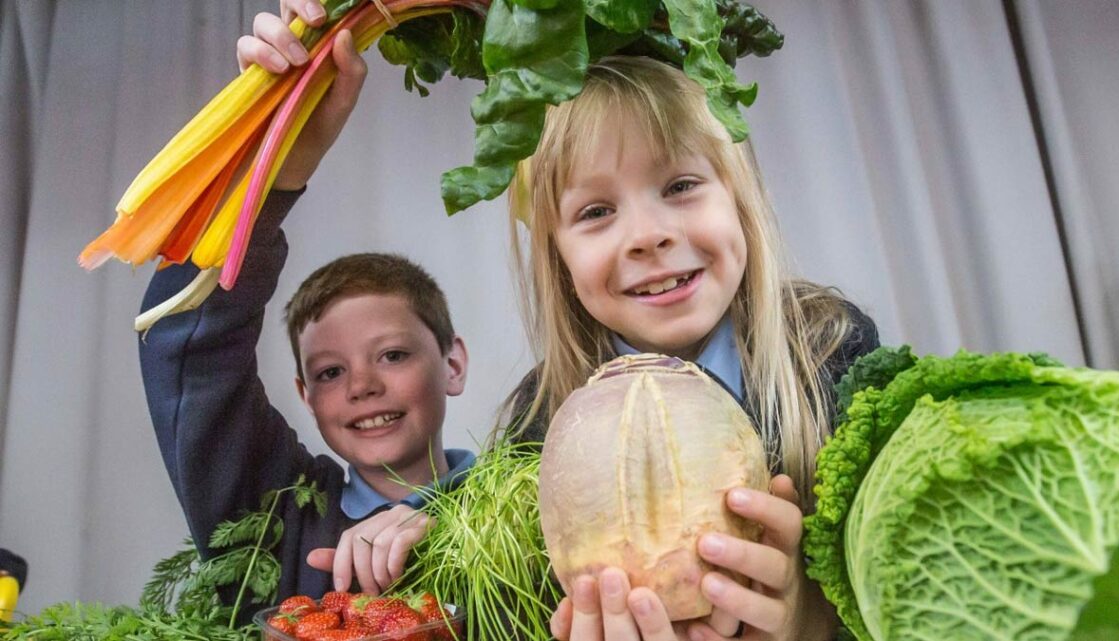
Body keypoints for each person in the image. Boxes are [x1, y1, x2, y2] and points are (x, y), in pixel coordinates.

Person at [500, 56, 880, 641]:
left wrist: (811, 623)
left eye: (680, 186)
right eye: (596, 212)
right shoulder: (535, 420)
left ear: (740, 198)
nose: (649, 235)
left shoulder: (830, 347)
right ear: (558, 256)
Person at [138, 0, 474, 611]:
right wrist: (276, 166)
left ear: (453, 364)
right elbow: (185, 345)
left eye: (393, 354)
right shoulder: (276, 522)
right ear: (305, 396)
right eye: (330, 372)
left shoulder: (533, 502)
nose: (363, 387)